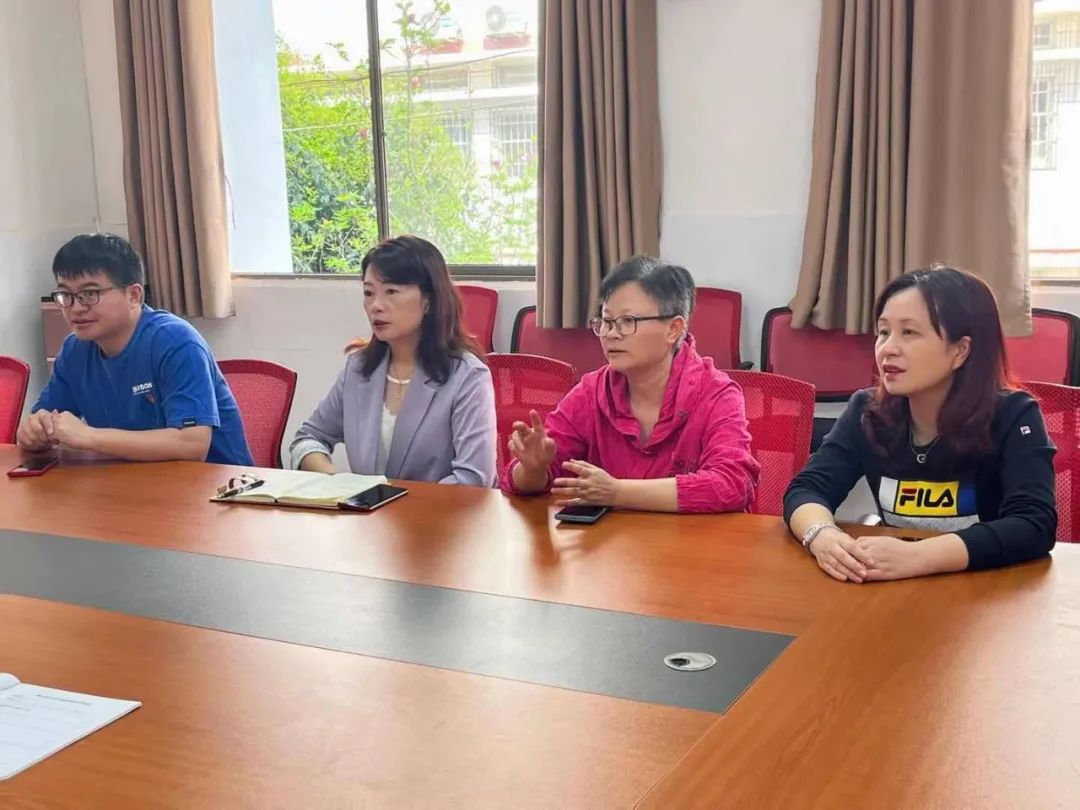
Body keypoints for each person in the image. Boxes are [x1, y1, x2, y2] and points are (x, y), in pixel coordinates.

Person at [785, 265, 1057, 582]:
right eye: (883, 332)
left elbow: (1033, 524)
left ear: (960, 350)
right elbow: (807, 489)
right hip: (895, 588)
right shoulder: (867, 411)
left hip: (988, 589)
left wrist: (918, 557)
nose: (887, 349)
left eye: (909, 333)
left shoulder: (1014, 414)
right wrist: (822, 536)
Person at [500, 256, 759, 512]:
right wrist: (533, 469)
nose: (611, 334)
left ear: (673, 328)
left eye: (627, 321)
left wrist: (617, 493)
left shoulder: (716, 393)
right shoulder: (592, 391)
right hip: (612, 538)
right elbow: (528, 479)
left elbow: (733, 484)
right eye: (606, 321)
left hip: (693, 537)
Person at [15, 233, 253, 465]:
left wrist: (89, 437)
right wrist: (34, 432)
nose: (75, 308)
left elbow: (192, 445)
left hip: (218, 483)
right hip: (133, 480)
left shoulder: (175, 342)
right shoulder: (74, 349)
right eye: (65, 295)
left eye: (89, 293)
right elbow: (43, 420)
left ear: (133, 295)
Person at [290, 235, 496, 485]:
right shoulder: (358, 369)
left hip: (440, 511)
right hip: (365, 510)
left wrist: (391, 501)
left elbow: (473, 479)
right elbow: (308, 438)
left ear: (429, 300)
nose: (375, 305)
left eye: (391, 291)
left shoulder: (467, 376)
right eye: (368, 293)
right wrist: (336, 482)